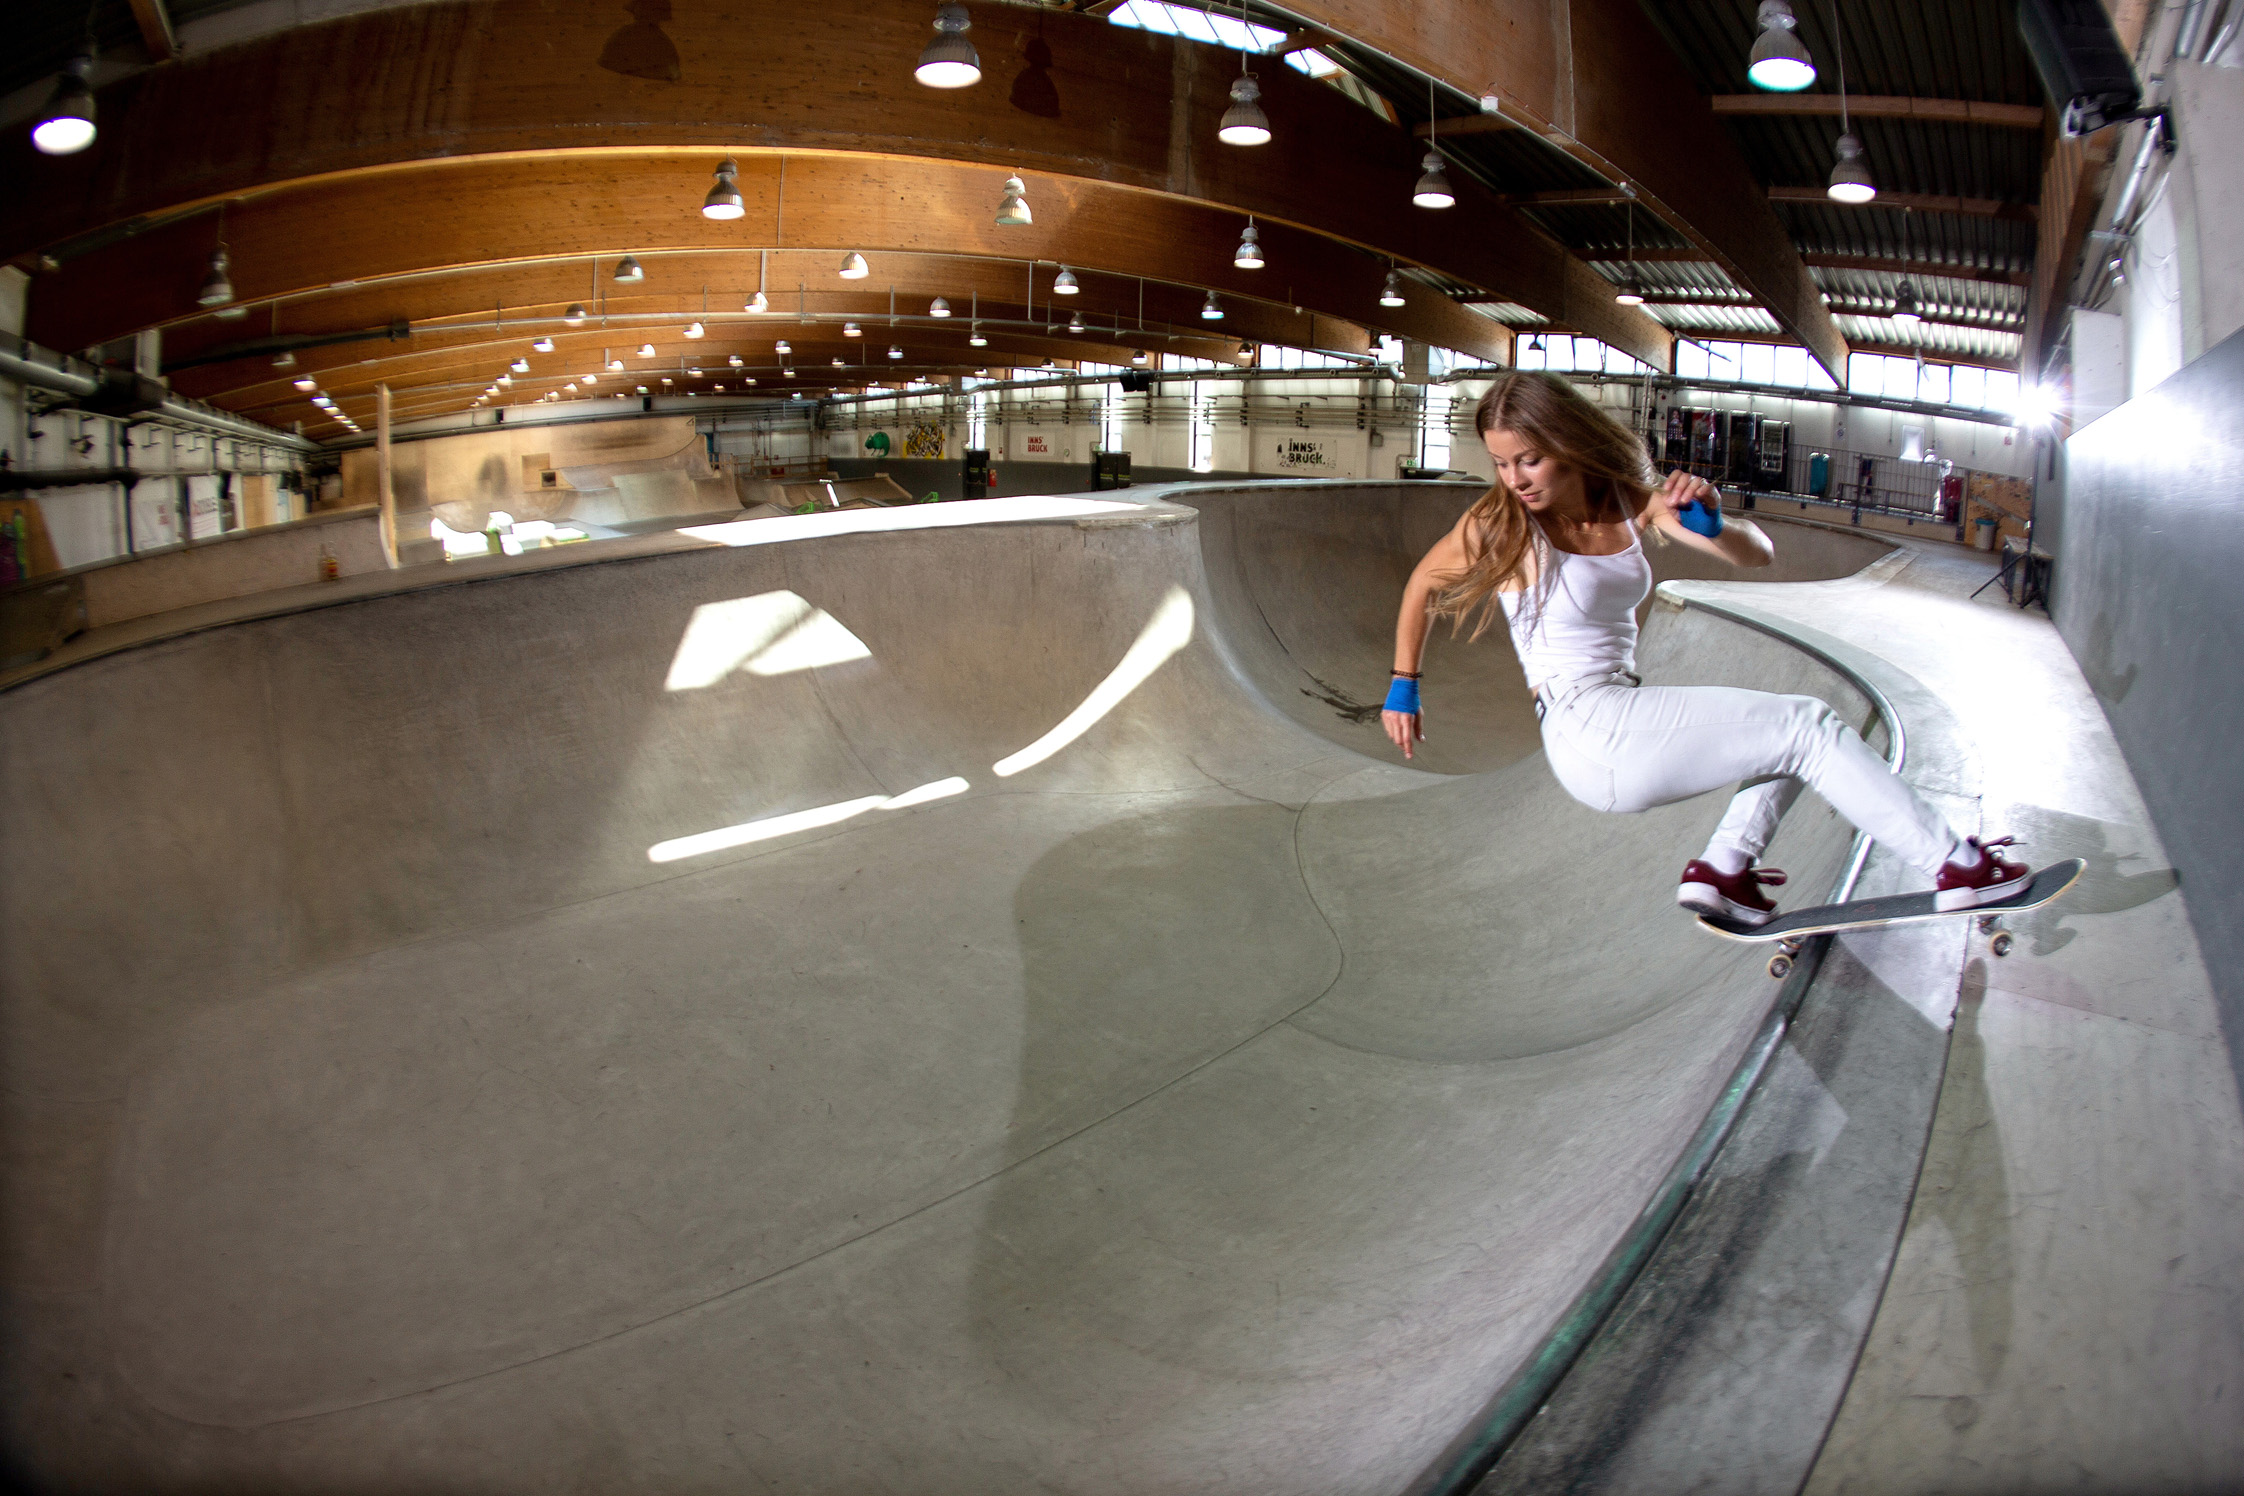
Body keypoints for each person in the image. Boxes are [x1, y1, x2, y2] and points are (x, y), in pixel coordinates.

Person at [1380, 372, 2027, 926]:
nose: (1513, 478)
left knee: (1785, 734)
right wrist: (1403, 686)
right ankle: (1959, 866)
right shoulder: (1501, 523)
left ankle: (1724, 869)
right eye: (1499, 462)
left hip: (1616, 718)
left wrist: (1714, 523)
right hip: (1584, 726)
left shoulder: (1632, 502)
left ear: (1565, 444)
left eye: (1528, 459)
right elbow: (1421, 585)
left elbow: (1757, 554)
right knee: (1807, 726)